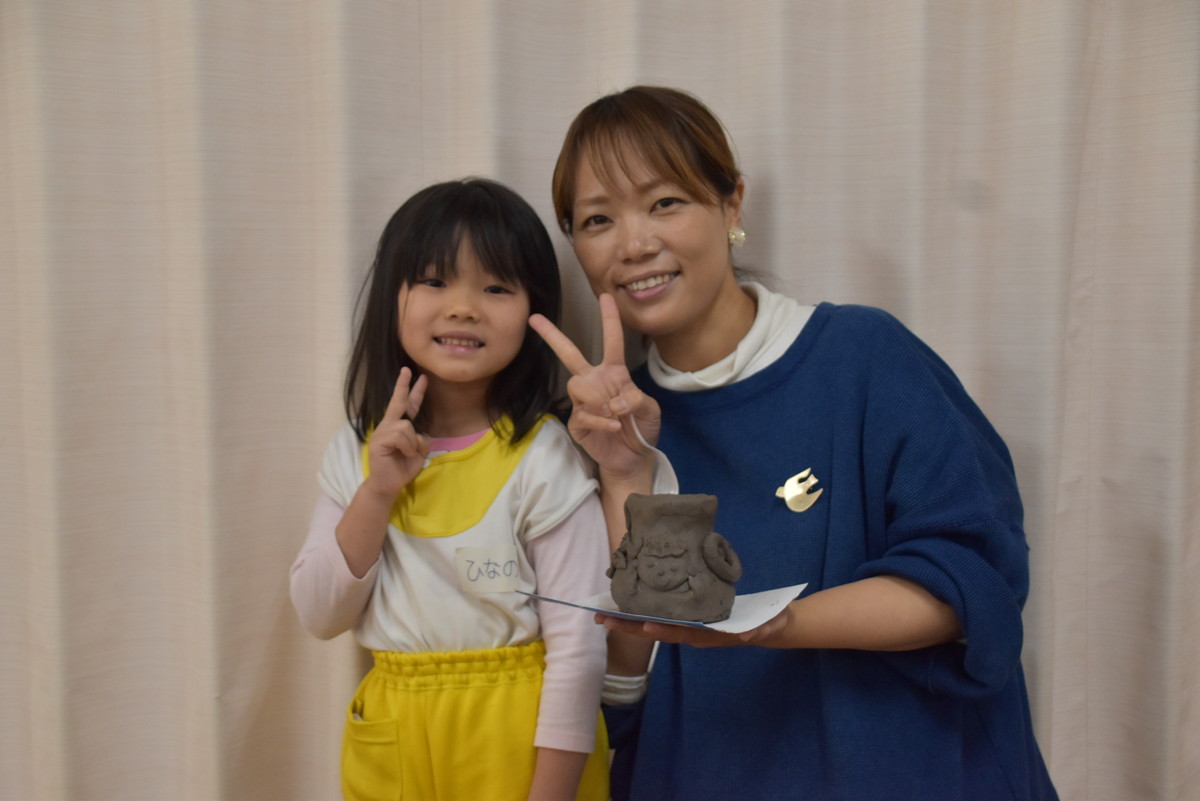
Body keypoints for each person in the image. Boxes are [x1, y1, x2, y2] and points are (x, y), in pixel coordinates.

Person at [529, 86, 1058, 800]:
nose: (634, 244)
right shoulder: (598, 428)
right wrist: (627, 474)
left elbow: (975, 583)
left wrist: (778, 623)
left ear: (732, 205)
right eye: (598, 219)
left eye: (665, 202)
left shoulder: (862, 356)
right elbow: (624, 692)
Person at [289, 178, 610, 801]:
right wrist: (377, 492)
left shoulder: (543, 456)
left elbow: (579, 646)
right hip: (395, 736)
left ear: (537, 311)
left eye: (496, 287)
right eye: (434, 281)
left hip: (518, 740)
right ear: (392, 297)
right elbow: (320, 614)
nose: (463, 308)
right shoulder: (354, 454)